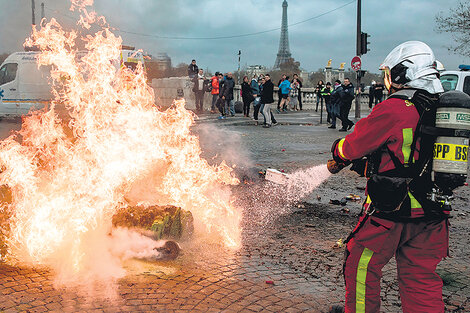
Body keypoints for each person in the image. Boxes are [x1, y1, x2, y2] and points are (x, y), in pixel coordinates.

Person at [328, 41, 448, 313]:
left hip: (392, 211)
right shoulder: (442, 108)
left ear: (402, 74)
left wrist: (338, 150)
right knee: (421, 279)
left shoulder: (395, 107)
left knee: (361, 267)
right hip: (434, 211)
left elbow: (352, 147)